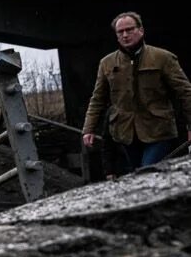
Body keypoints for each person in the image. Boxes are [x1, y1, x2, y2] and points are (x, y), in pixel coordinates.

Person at [82, 11, 191, 171]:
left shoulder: (163, 58)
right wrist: (88, 129)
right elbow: (98, 98)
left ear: (141, 30)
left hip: (158, 130)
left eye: (130, 29)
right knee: (138, 172)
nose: (125, 35)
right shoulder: (107, 63)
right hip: (125, 133)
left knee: (147, 171)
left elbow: (185, 92)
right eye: (120, 32)